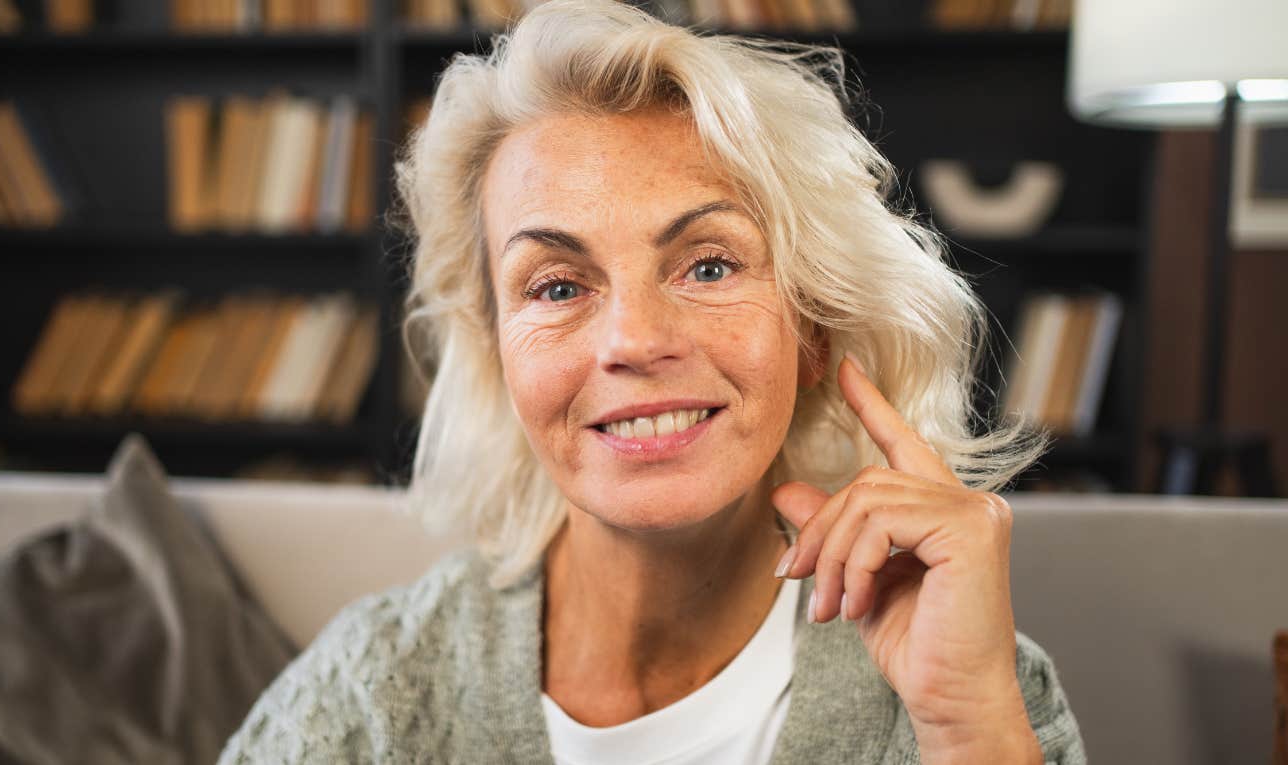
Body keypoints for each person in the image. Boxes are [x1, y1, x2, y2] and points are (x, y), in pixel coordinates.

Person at [219, 0, 1086, 761]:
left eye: (708, 266)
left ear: (812, 332)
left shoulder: (974, 684)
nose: (634, 341)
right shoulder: (372, 694)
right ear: (498, 354)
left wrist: (970, 731)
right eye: (557, 286)